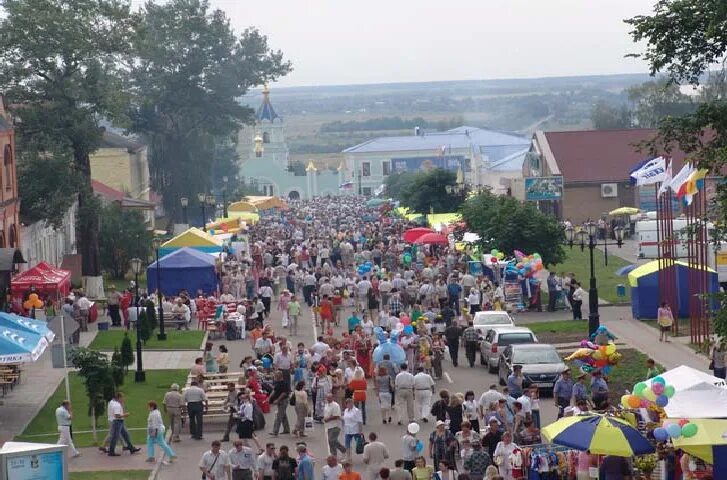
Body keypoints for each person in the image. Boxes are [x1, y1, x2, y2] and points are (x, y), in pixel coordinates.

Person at [107, 392, 140, 456]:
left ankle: (131, 448)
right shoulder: (117, 405)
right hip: (117, 422)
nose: (123, 399)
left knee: (126, 435)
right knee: (115, 437)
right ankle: (111, 451)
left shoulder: (114, 403)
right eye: (122, 397)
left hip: (119, 422)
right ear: (119, 398)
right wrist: (125, 415)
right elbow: (117, 415)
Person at [323, 393, 346, 457]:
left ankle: (334, 453)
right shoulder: (326, 405)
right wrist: (324, 418)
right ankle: (341, 450)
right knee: (331, 440)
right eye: (327, 397)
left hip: (335, 425)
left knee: (331, 439)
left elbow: (336, 415)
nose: (328, 399)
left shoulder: (336, 405)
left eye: (330, 397)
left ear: (333, 398)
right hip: (328, 426)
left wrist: (328, 419)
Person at [269, 370, 291, 436]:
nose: (275, 377)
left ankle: (275, 431)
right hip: (279, 400)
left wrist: (278, 400)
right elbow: (274, 390)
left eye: (276, 376)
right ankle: (286, 429)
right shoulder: (277, 382)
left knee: (279, 416)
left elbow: (284, 393)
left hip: (283, 400)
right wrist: (270, 397)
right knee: (283, 415)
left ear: (279, 376)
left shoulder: (285, 383)